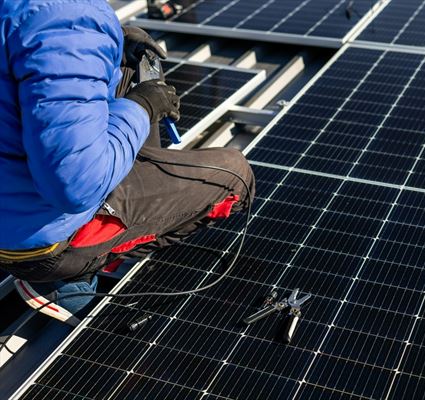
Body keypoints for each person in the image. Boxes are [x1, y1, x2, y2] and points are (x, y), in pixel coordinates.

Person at [0, 0, 255, 324]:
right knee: (235, 176)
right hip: (37, 243)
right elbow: (75, 185)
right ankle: (66, 280)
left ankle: (134, 179)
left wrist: (111, 41)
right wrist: (142, 108)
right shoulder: (67, 19)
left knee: (132, 68)